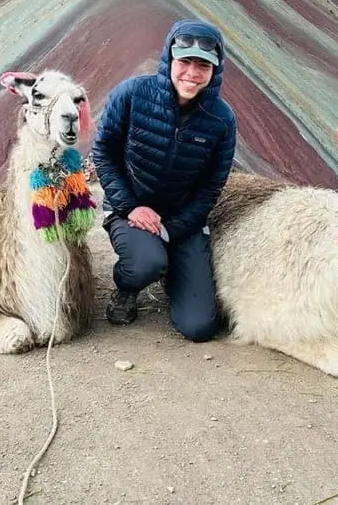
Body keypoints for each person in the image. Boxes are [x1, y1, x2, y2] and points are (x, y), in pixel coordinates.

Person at [90, 19, 237, 342]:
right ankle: (128, 287)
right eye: (184, 62)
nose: (192, 73)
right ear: (169, 59)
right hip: (130, 210)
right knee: (146, 263)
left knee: (198, 327)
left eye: (203, 65)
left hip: (183, 220)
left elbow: (211, 186)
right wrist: (130, 207)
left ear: (215, 70)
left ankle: (170, 269)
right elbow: (103, 152)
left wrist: (173, 229)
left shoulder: (222, 119)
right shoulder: (131, 95)